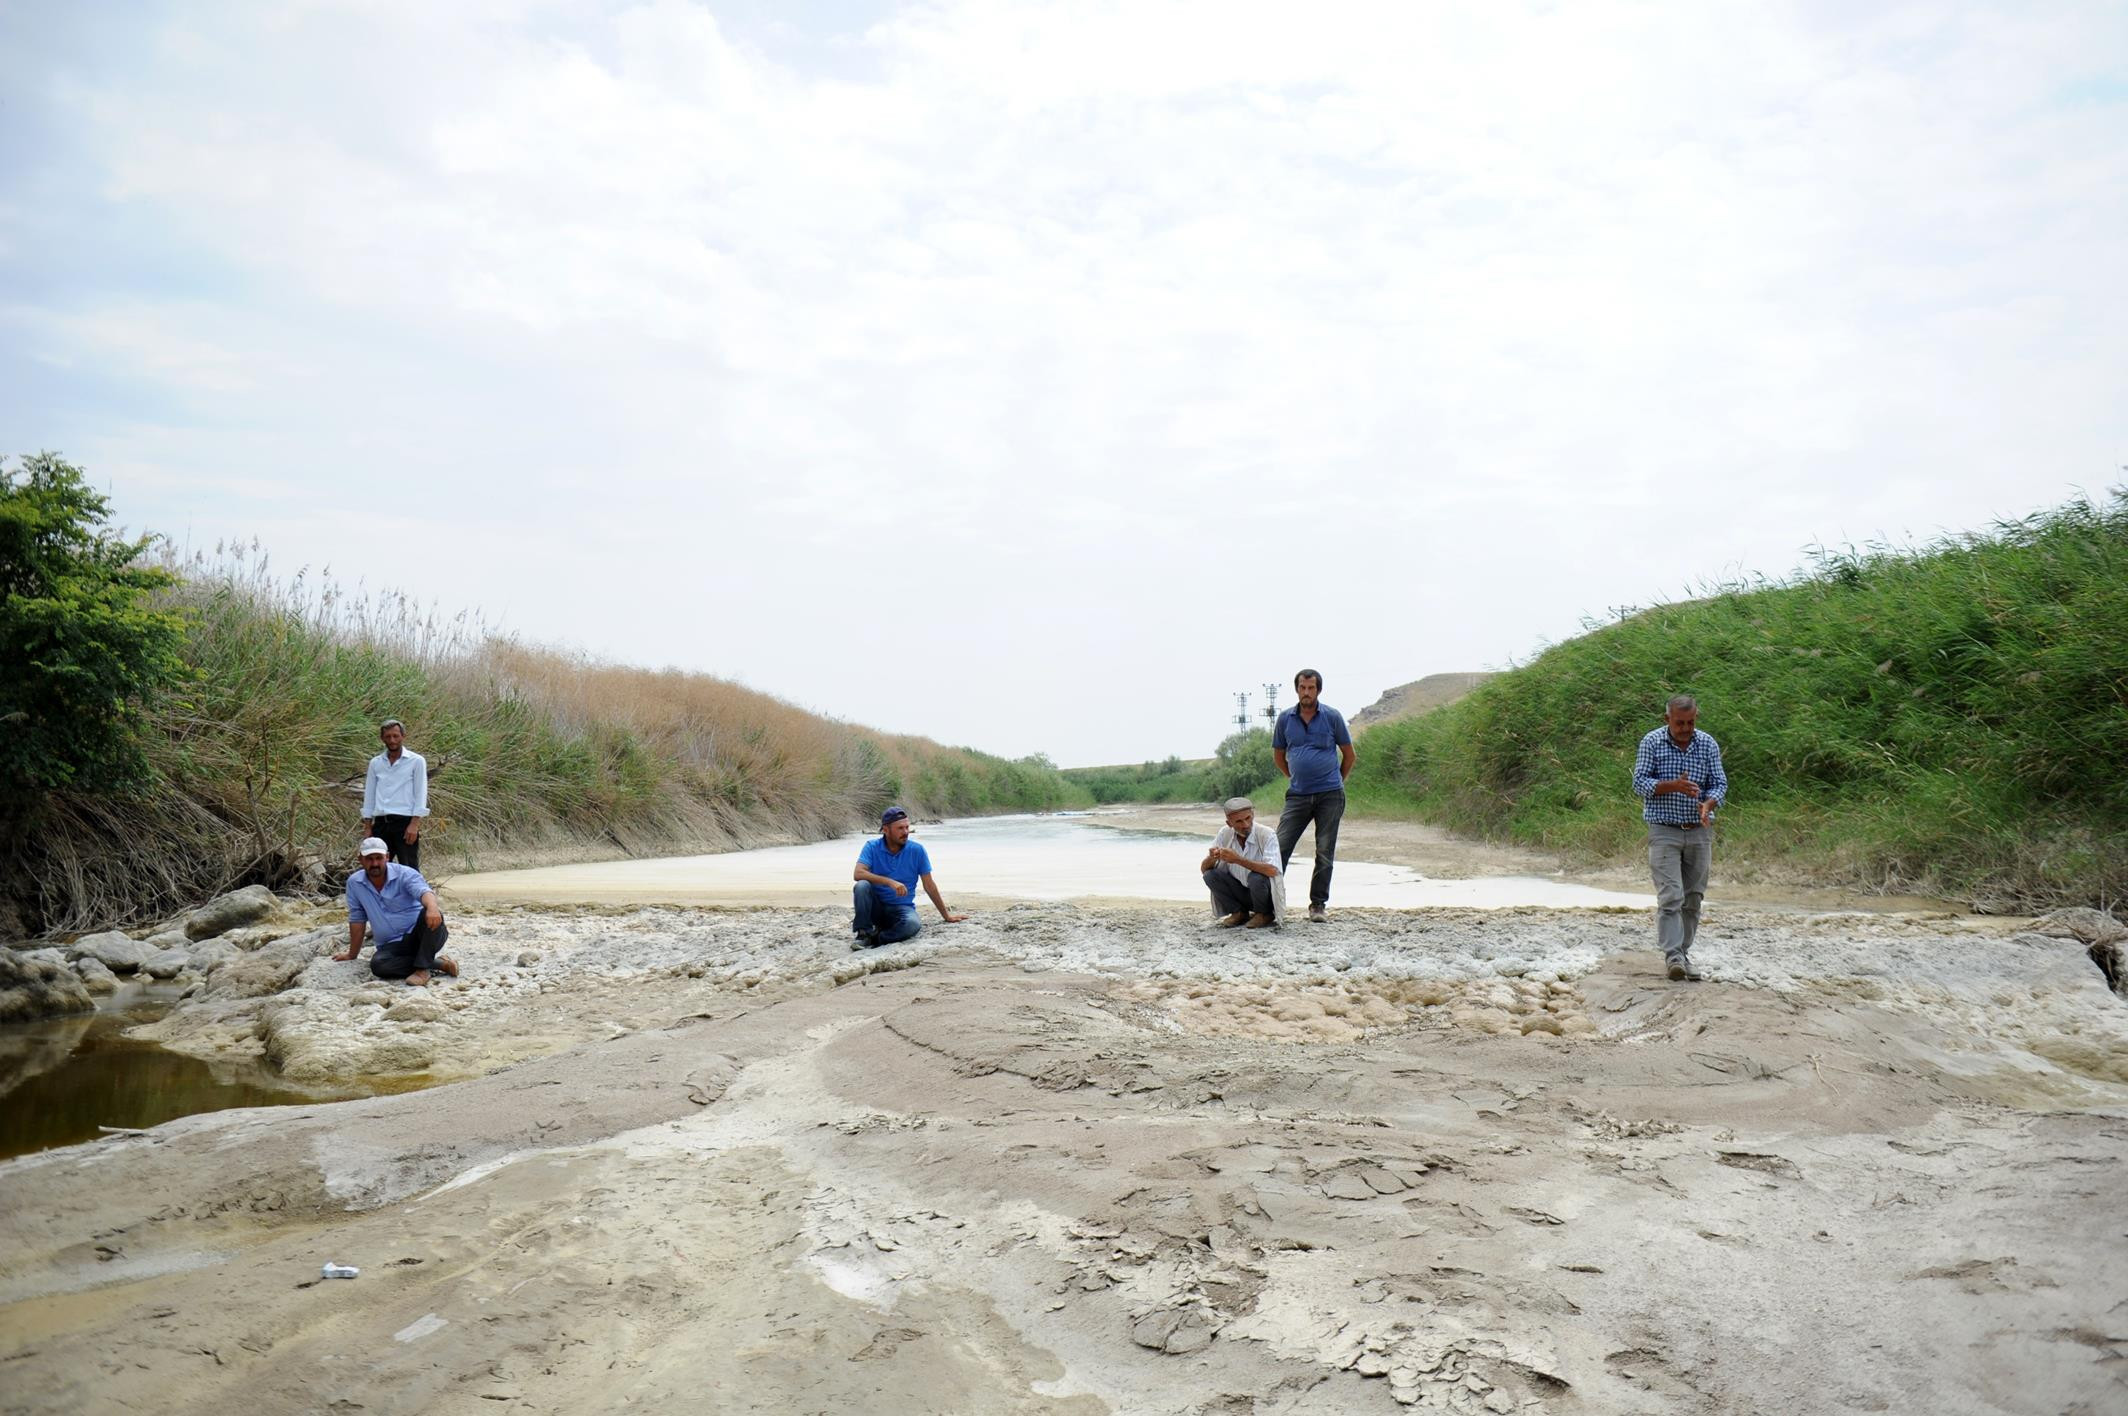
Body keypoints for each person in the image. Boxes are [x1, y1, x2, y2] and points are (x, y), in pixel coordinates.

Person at [1631, 694, 1729, 982]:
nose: (1686, 728)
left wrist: (1708, 804)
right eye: (1680, 723)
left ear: (1696, 718)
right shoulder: (1652, 742)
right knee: (1671, 895)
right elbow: (1639, 783)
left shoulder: (1708, 744)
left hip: (1699, 830)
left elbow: (1719, 783)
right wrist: (1672, 786)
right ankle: (1673, 956)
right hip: (1663, 830)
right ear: (1667, 719)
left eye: (1690, 722)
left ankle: (1683, 954)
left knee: (1693, 897)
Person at [1272, 668, 1356, 922]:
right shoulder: (1285, 719)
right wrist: (1294, 776)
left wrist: (1336, 781)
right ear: (1296, 689)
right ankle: (1270, 902)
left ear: (1318, 690)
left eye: (1311, 688)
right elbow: (1278, 755)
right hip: (1297, 795)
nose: (1306, 692)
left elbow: (1349, 755)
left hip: (1330, 795)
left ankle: (1317, 905)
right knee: (1279, 847)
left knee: (1324, 851)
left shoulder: (1332, 717)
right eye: (1302, 688)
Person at [334, 836, 458, 985]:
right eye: (369, 859)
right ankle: (439, 964)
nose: (375, 863)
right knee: (378, 965)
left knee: (429, 912)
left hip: (423, 937)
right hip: (391, 945)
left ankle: (422, 970)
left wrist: (432, 908)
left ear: (387, 857)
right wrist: (352, 954)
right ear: (360, 859)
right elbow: (357, 919)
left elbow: (424, 892)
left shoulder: (405, 874)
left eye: (379, 858)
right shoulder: (354, 883)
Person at [851, 806, 965, 948]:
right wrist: (890, 882)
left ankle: (877, 938)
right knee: (862, 886)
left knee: (912, 924)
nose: (905, 832)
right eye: (900, 828)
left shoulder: (917, 850)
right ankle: (863, 934)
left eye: (907, 827)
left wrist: (946, 915)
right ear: (886, 830)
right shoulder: (871, 847)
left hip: (901, 909)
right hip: (875, 908)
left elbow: (929, 885)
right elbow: (858, 873)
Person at [1201, 796, 1285, 929]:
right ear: (1229, 823)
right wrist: (1212, 858)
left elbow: (1272, 870)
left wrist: (1238, 860)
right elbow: (1204, 869)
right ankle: (1239, 912)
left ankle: (1264, 914)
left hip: (1264, 894)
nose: (1245, 825)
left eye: (1248, 818)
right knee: (1210, 875)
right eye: (1239, 821)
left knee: (1256, 877)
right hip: (1242, 893)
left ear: (1253, 815)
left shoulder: (1267, 834)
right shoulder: (1225, 833)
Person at [360, 718, 429, 868]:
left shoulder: (416, 761)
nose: (392, 740)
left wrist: (414, 824)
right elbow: (369, 795)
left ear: (403, 736)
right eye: (388, 736)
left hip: (404, 823)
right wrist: (368, 827)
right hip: (381, 823)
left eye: (395, 736)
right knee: (378, 867)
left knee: (409, 868)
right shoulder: (376, 763)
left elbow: (420, 794)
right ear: (382, 738)